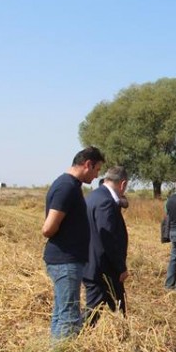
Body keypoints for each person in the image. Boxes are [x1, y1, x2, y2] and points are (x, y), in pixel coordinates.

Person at [42, 146, 105, 340]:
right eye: (96, 170)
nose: (96, 176)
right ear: (88, 164)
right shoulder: (67, 186)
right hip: (65, 261)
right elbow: (48, 228)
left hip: (67, 260)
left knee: (62, 313)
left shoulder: (69, 185)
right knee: (69, 317)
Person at [83, 166, 129, 326]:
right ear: (122, 184)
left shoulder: (93, 196)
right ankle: (73, 339)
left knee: (111, 307)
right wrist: (121, 267)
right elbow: (108, 238)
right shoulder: (106, 202)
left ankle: (120, 337)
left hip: (91, 263)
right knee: (97, 311)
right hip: (103, 269)